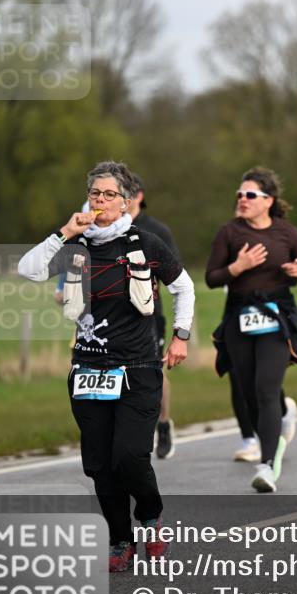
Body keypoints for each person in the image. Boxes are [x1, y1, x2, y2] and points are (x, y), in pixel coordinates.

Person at [18, 160, 195, 572]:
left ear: (127, 201)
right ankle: (120, 540)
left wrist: (181, 337)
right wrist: (64, 232)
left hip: (137, 367)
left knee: (130, 456)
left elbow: (183, 287)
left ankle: (150, 518)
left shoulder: (146, 243)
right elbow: (28, 271)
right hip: (88, 369)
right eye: (95, 194)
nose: (100, 201)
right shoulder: (76, 247)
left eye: (109, 194)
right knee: (99, 464)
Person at [206, 167, 297, 493]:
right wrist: (238, 267)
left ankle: (267, 464)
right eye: (239, 194)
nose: (242, 200)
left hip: (276, 318)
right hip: (239, 316)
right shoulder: (229, 233)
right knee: (248, 389)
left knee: (266, 388)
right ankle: (280, 418)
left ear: (268, 200)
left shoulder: (288, 233)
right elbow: (212, 277)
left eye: (250, 195)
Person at [124, 173, 181, 459]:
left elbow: (175, 274)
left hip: (148, 314)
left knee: (153, 372)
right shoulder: (106, 228)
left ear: (140, 196)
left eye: (128, 193)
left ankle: (163, 423)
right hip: (112, 315)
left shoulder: (156, 230)